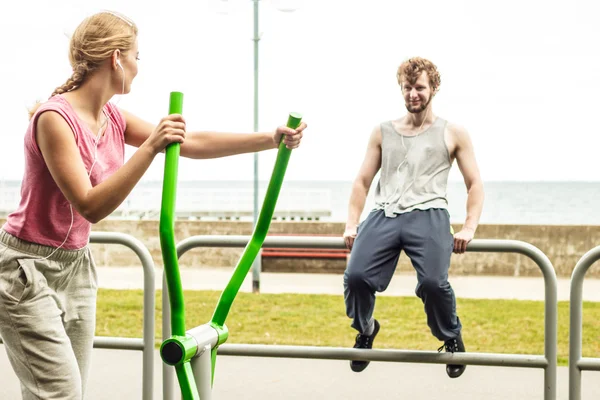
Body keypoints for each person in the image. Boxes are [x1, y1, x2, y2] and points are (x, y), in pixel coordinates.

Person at [0, 10, 306, 399]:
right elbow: (90, 205)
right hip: (26, 271)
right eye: (136, 57)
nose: (138, 67)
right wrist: (149, 147)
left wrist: (269, 138)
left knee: (57, 391)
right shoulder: (54, 120)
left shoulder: (110, 116)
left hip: (75, 266)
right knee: (60, 392)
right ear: (116, 58)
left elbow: (190, 142)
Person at [342, 57, 483, 378]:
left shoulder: (454, 133)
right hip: (385, 214)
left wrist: (469, 227)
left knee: (434, 284)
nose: (413, 94)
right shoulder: (383, 132)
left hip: (429, 214)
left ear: (433, 88)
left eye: (419, 87)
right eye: (407, 88)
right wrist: (352, 223)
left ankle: (451, 336)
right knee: (356, 277)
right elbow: (362, 181)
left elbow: (474, 183)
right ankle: (366, 330)